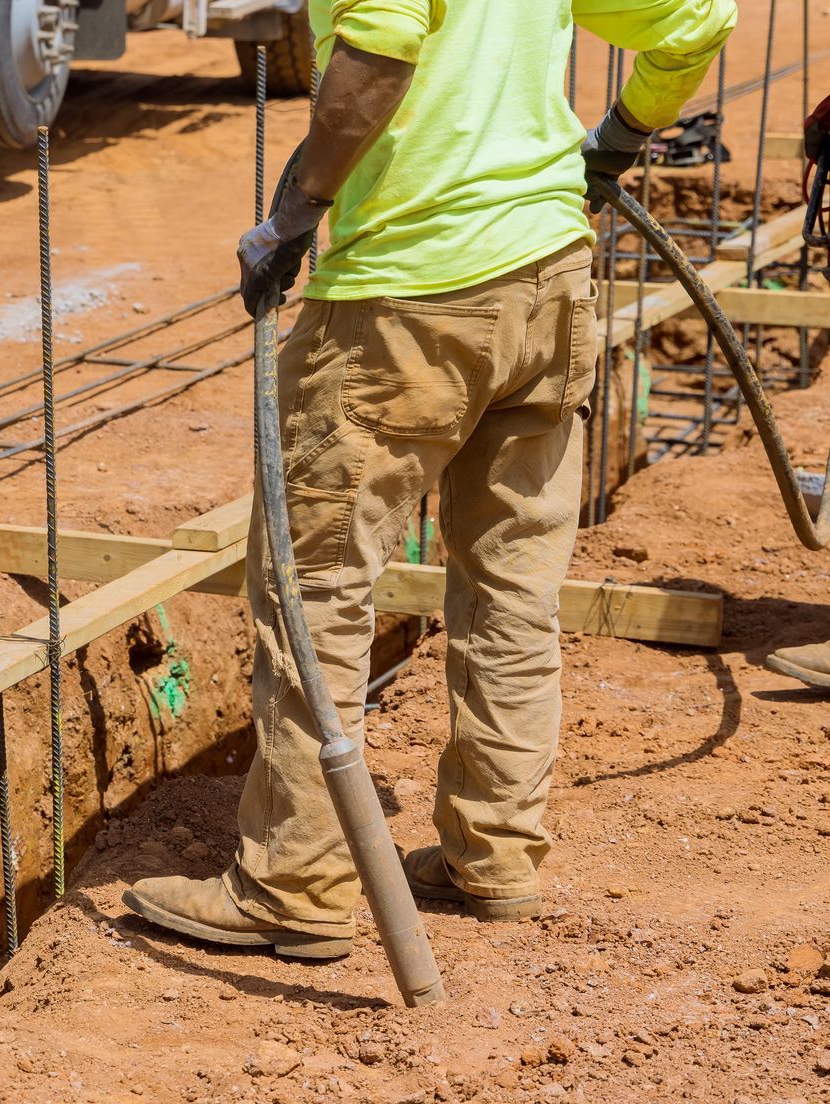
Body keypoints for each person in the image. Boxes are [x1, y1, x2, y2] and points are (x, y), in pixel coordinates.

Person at [125, 0, 736, 958]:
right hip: (549, 277)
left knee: (312, 586)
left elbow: (377, 55)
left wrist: (294, 216)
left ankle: (294, 885)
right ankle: (494, 856)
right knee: (514, 587)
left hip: (407, 295)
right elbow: (698, 20)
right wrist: (611, 146)